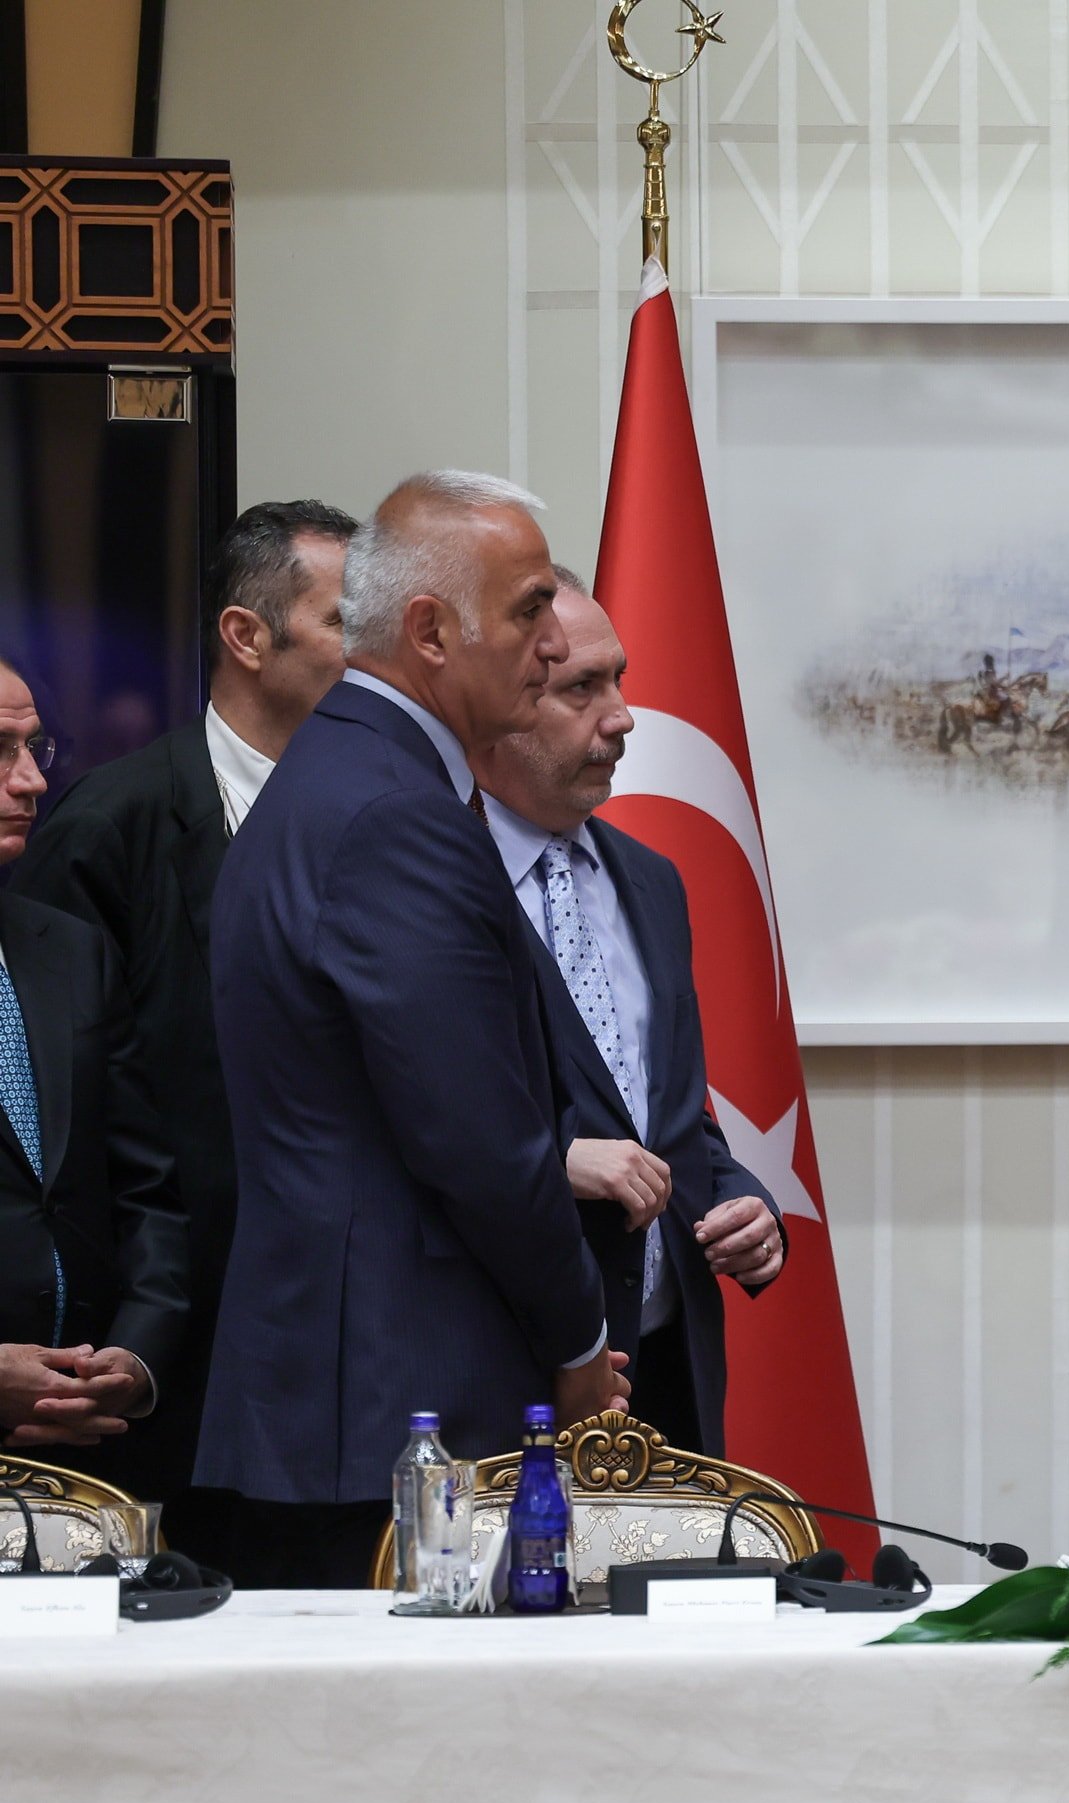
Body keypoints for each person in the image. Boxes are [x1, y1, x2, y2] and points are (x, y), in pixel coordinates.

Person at [201, 471, 621, 1589]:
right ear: (431, 633)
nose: (553, 643)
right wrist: (580, 1345)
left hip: (351, 1400)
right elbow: (481, 1141)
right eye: (530, 611)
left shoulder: (343, 774)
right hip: (393, 1410)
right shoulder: (394, 814)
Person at [11, 499, 356, 1564]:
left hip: (351, 1338)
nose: (377, 648)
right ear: (247, 635)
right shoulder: (107, 824)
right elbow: (76, 1131)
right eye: (348, 619)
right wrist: (134, 1345)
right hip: (166, 1367)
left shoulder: (388, 817)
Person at [472, 568, 784, 1453]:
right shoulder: (438, 880)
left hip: (668, 1362)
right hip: (519, 1373)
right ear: (500, 701)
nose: (622, 718)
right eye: (582, 688)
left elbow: (666, 1113)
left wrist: (743, 1201)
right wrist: (555, 1160)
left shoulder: (650, 880)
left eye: (619, 680)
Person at [0, 658, 188, 1466]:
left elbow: (146, 1190)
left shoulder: (70, 951)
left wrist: (136, 1358)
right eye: (0, 750)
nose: (32, 780)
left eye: (34, 748)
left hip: (85, 1456)